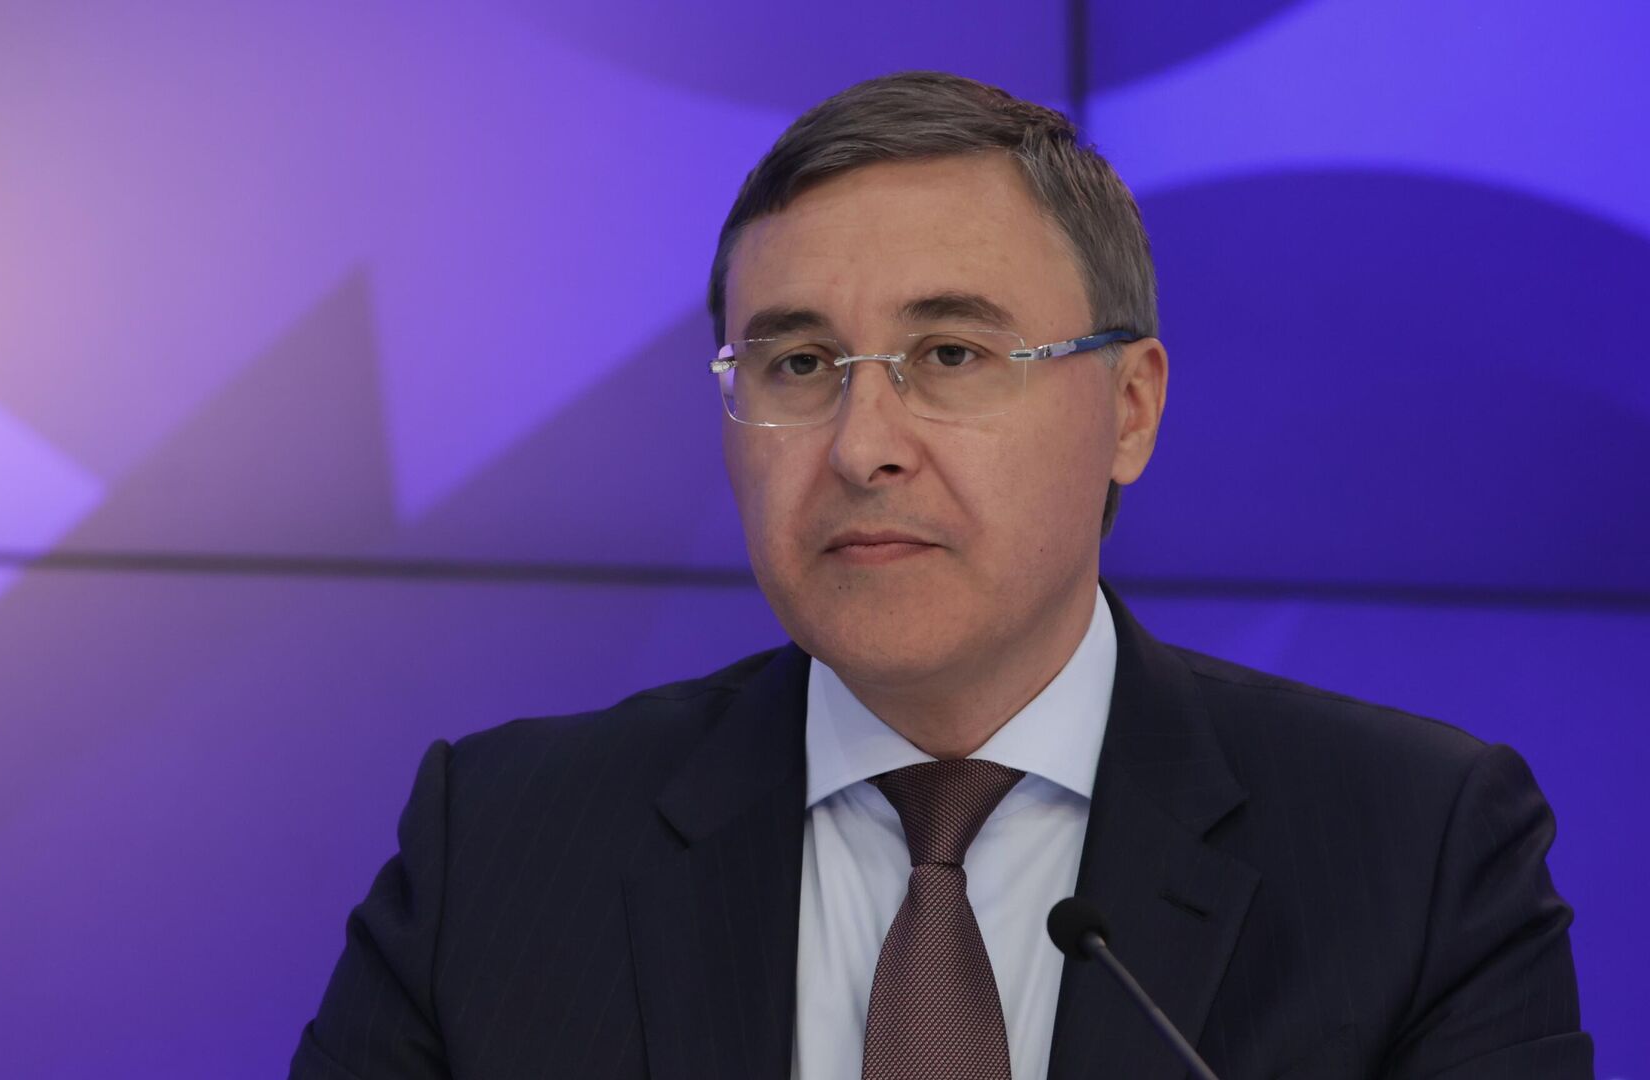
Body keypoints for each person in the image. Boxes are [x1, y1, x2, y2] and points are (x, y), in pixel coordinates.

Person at [288, 71, 1589, 1079]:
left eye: (952, 355)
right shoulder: (501, 848)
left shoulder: (1416, 854)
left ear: (1130, 409)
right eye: (799, 365)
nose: (863, 447)